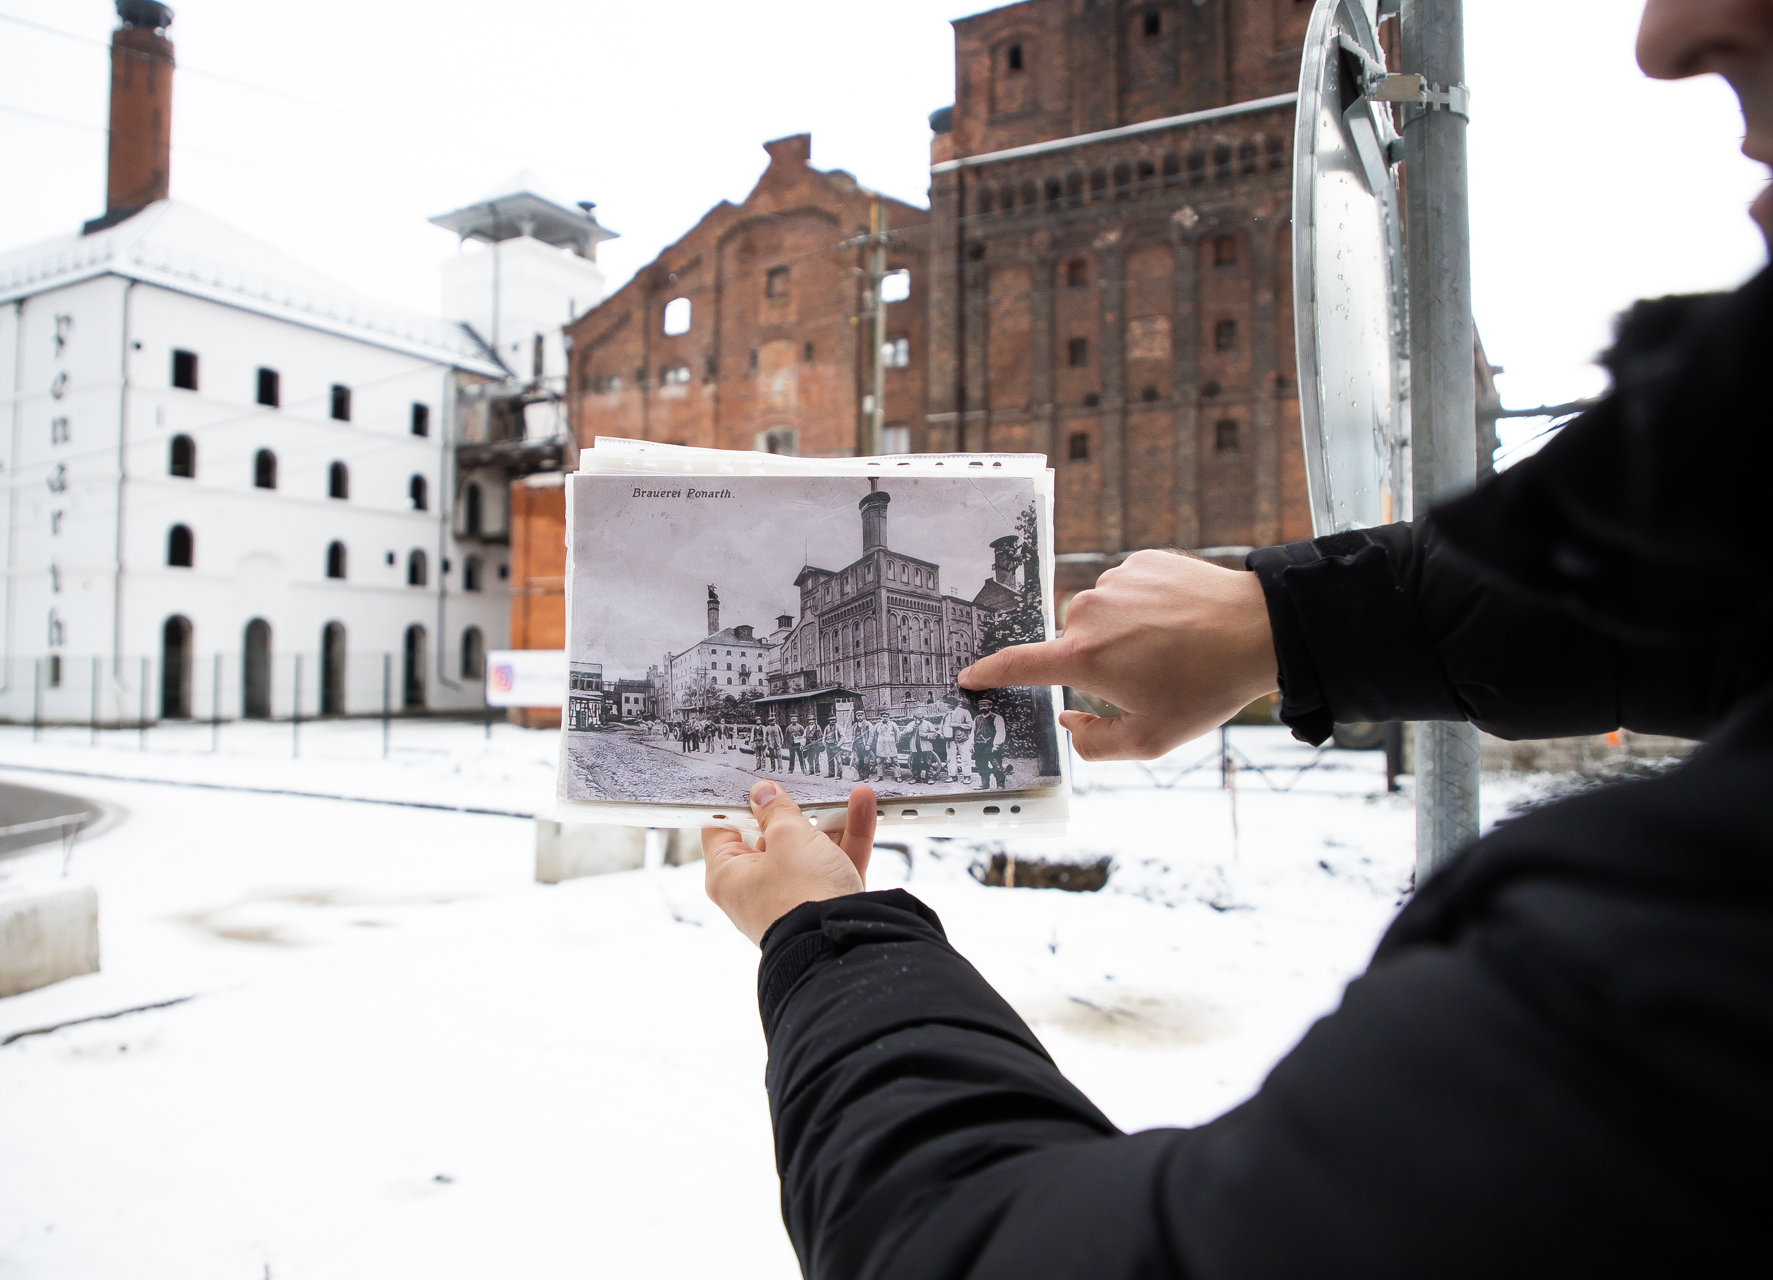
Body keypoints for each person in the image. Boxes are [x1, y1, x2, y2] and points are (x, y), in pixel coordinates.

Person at [699, 3, 1773, 1272]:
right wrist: (1292, 616)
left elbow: (979, 1250)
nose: (1668, 34)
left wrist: (827, 934)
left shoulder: (1688, 964)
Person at [970, 696, 1007, 789]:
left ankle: (1000, 784)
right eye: (980, 706)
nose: (982, 708)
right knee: (981, 766)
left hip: (990, 746)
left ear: (990, 706)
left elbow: (1000, 732)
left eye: (984, 706)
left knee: (996, 766)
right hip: (979, 746)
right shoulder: (977, 719)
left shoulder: (996, 718)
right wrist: (971, 745)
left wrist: (996, 745)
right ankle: (985, 783)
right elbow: (972, 733)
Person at [944, 694, 975, 781]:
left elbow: (970, 725)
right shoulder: (947, 714)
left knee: (965, 757)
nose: (947, 705)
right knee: (950, 758)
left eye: (948, 703)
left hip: (962, 738)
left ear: (953, 703)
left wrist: (957, 725)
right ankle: (952, 775)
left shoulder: (964, 712)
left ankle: (967, 776)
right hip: (950, 739)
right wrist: (942, 733)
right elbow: (943, 724)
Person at [872, 712, 901, 782]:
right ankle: (880, 776)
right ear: (881, 717)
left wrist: (896, 741)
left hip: (890, 744)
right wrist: (879, 740)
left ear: (889, 718)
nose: (885, 718)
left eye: (887, 717)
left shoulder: (893, 725)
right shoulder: (877, 725)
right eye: (884, 717)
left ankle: (898, 776)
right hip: (881, 744)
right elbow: (875, 734)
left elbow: (897, 734)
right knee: (879, 761)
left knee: (894, 760)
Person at [852, 714, 878, 782]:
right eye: (858, 715)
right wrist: (852, 744)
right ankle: (860, 776)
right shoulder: (855, 725)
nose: (859, 717)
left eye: (861, 715)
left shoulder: (868, 724)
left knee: (866, 761)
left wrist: (868, 745)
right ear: (856, 716)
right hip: (857, 745)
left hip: (864, 745)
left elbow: (871, 735)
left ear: (863, 716)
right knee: (858, 762)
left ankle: (866, 777)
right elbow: (853, 735)